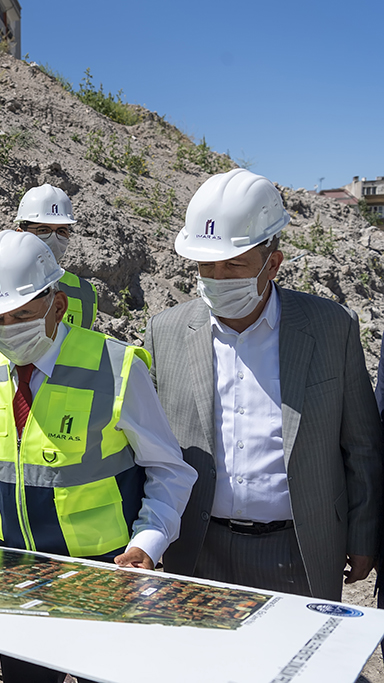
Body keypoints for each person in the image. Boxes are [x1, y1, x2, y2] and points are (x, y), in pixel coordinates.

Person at [0, 230, 197, 683]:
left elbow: (167, 469)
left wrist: (147, 542)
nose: (7, 328)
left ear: (57, 306)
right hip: (15, 574)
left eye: (21, 314)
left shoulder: (115, 366)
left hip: (103, 574)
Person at [144, 168, 383, 600]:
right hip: (197, 548)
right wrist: (148, 537)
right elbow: (150, 449)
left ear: (272, 263)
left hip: (299, 551)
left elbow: (362, 444)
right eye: (205, 265)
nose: (217, 278)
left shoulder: (331, 328)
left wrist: (364, 535)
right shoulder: (165, 332)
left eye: (234, 265)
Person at [14, 184, 97, 329]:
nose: (53, 238)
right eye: (43, 230)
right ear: (20, 234)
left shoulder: (86, 293)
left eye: (61, 231)